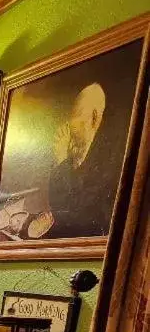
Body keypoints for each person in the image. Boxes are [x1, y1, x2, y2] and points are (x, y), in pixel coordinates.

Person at [46, 82, 117, 238]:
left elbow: (76, 213)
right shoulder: (74, 150)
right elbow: (55, 203)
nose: (70, 125)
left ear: (94, 117)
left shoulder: (108, 160)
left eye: (76, 116)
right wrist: (61, 160)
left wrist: (62, 160)